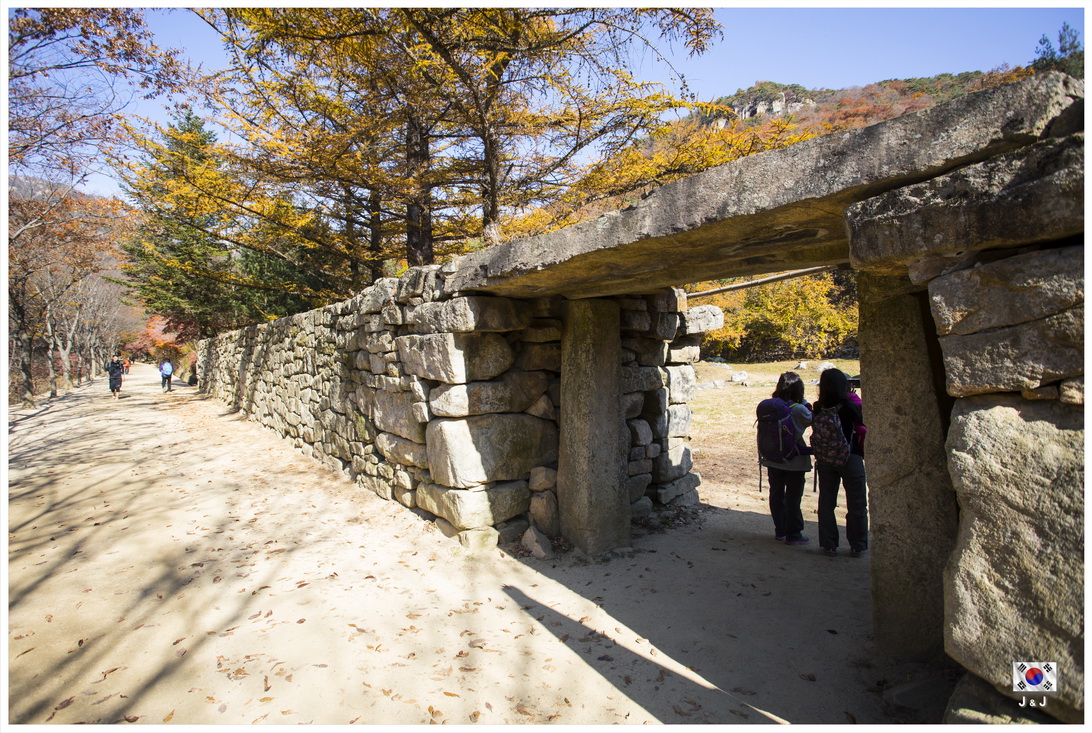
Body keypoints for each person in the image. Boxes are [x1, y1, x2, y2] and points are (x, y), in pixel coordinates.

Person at [812, 368, 868, 558]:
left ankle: (829, 544)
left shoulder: (818, 407)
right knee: (857, 502)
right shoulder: (850, 406)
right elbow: (863, 423)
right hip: (850, 457)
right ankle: (858, 545)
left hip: (826, 459)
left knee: (826, 502)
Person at [759, 372, 813, 545]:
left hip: (772, 457)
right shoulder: (799, 409)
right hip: (794, 460)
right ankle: (794, 534)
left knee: (776, 494)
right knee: (793, 497)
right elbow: (811, 419)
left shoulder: (771, 407)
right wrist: (804, 402)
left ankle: (780, 530)